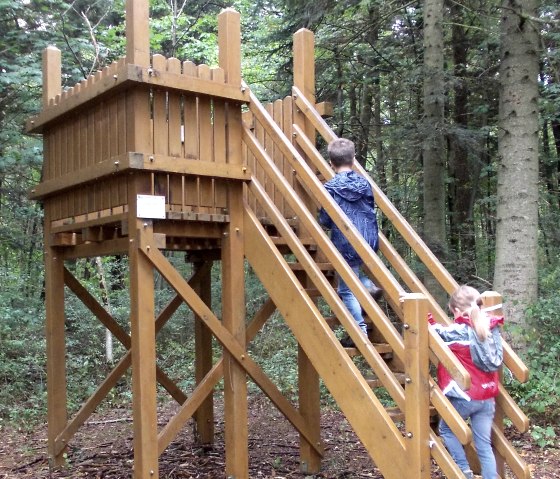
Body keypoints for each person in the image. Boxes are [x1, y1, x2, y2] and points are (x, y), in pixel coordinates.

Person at [430, 285, 503, 479]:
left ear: (456, 311)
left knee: (446, 429)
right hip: (488, 397)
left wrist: (425, 316)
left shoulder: (460, 331)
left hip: (466, 396)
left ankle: (464, 472)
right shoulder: (491, 328)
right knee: (484, 445)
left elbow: (435, 333)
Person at [318, 138, 382, 342]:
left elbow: (325, 219)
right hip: (369, 239)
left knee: (346, 289)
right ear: (353, 160)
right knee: (353, 275)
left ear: (330, 162)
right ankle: (366, 284)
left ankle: (359, 331)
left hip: (346, 242)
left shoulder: (330, 187)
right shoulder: (365, 184)